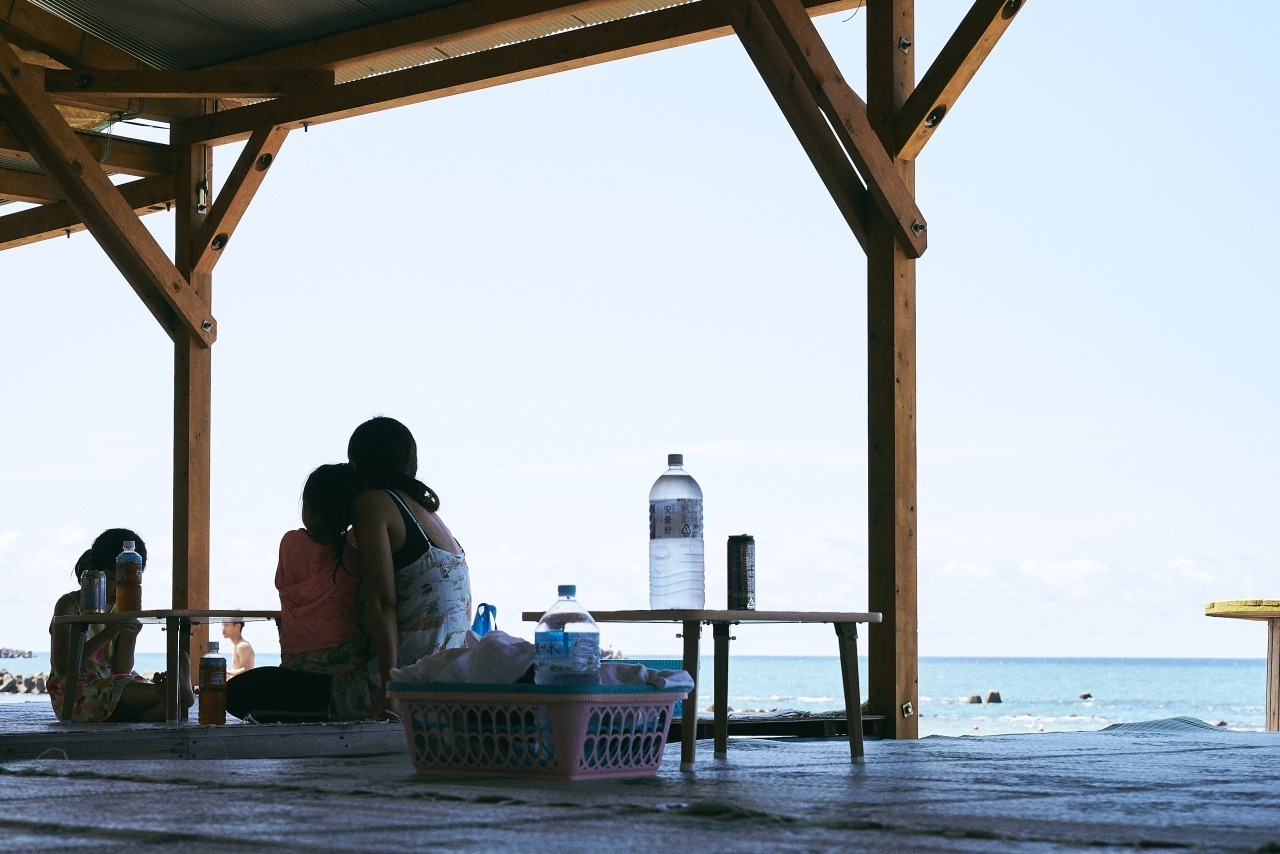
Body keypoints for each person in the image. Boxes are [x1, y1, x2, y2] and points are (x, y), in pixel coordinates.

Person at [349, 416, 472, 719]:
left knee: (251, 691)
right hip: (447, 688)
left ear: (357, 463)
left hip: (405, 686)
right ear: (410, 461)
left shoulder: (372, 503)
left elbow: (382, 602)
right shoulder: (428, 514)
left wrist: (390, 691)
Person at [227, 463, 371, 721]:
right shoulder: (356, 557)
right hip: (344, 682)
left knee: (230, 693)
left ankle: (296, 713)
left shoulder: (291, 544)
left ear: (311, 511)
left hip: (296, 680)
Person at [48, 528, 194, 722]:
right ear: (95, 570)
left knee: (150, 707)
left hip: (108, 692)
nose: (119, 590)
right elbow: (63, 666)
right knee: (121, 685)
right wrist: (110, 632)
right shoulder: (70, 604)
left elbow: (122, 668)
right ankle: (176, 691)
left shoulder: (120, 608)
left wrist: (129, 637)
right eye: (114, 579)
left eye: (127, 583)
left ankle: (172, 697)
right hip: (73, 695)